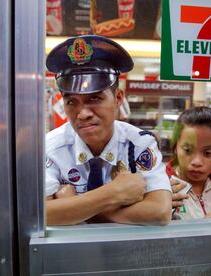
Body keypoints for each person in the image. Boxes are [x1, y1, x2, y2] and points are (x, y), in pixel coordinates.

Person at [45, 35, 172, 226]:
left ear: (119, 98)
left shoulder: (138, 144)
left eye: (95, 99)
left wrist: (73, 207)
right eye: (71, 102)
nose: (82, 114)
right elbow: (42, 214)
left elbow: (159, 212)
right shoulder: (51, 148)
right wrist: (115, 192)